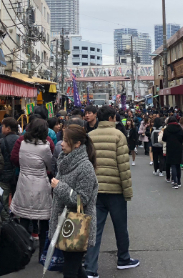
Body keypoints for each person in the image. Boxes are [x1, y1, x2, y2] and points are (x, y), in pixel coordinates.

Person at [84, 106, 138, 277]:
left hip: (95, 190)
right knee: (120, 226)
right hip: (115, 190)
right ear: (113, 118)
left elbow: (85, 165)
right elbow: (124, 167)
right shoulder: (118, 136)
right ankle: (123, 258)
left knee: (95, 229)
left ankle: (91, 268)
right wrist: (127, 191)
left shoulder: (90, 137)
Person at [49, 125, 98, 278]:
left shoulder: (85, 167)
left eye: (65, 140)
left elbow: (81, 200)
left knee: (70, 271)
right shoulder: (65, 161)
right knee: (75, 269)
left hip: (77, 227)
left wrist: (59, 187)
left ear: (77, 144)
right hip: (65, 224)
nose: (61, 144)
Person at [10, 118, 53, 256]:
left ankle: (22, 252)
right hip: (40, 185)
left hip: (23, 183)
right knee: (44, 220)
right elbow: (50, 165)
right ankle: (43, 252)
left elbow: (15, 159)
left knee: (24, 218)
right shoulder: (45, 147)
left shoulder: (22, 143)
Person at [0, 117, 20, 215]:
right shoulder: (20, 140)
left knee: (3, 200)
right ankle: (16, 221)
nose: (1, 128)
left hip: (4, 175)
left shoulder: (1, 142)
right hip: (18, 174)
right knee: (18, 200)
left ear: (8, 128)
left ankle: (6, 221)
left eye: (3, 126)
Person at [161, 115, 183, 188]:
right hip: (178, 147)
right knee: (178, 165)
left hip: (170, 148)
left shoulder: (167, 129)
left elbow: (164, 139)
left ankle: (174, 182)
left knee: (173, 165)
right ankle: (179, 181)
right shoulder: (179, 128)